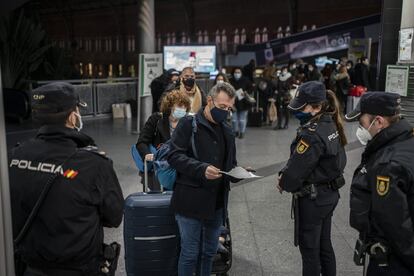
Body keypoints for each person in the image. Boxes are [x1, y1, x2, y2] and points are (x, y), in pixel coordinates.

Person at [9, 82, 124, 276]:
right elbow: (114, 217)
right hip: (79, 269)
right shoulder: (94, 164)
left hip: (27, 267)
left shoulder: (13, 156)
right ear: (73, 116)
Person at [167, 82, 238, 276]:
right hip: (190, 201)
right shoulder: (189, 124)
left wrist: (238, 172)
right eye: (222, 107)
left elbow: (230, 163)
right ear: (209, 101)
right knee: (190, 253)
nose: (226, 112)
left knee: (208, 252)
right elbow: (174, 156)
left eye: (229, 108)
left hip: (216, 203)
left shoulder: (228, 130)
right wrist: (201, 169)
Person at [277, 81, 348, 276]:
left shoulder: (312, 134)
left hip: (314, 200)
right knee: (325, 245)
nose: (298, 110)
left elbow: (297, 169)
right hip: (329, 195)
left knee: (310, 250)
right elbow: (339, 161)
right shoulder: (330, 123)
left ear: (315, 106)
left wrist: (284, 181)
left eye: (302, 105)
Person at [345, 92, 414, 275]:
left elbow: (395, 226)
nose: (361, 129)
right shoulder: (406, 140)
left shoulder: (387, 164)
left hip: (393, 263)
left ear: (379, 122)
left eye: (362, 123)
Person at [136, 90, 191, 190]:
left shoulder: (188, 122)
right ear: (170, 106)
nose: (182, 109)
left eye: (184, 106)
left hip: (180, 168)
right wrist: (147, 154)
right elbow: (142, 142)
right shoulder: (156, 119)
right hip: (160, 168)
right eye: (179, 106)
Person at [230, 67, 253, 138]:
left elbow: (251, 88)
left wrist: (246, 92)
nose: (237, 74)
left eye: (238, 72)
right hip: (233, 103)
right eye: (235, 72)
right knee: (234, 120)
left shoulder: (246, 80)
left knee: (242, 120)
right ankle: (235, 131)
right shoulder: (230, 80)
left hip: (244, 103)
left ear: (241, 73)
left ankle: (242, 132)